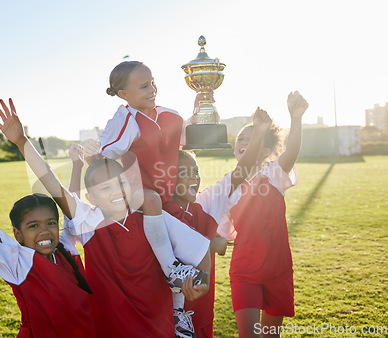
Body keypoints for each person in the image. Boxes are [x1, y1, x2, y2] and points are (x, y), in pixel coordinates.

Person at [0, 99, 211, 338]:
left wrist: (201, 286)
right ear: (90, 197)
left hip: (160, 328)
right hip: (112, 329)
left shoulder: (152, 217)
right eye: (105, 189)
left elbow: (200, 251)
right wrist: (22, 141)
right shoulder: (87, 223)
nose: (116, 192)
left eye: (120, 184)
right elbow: (50, 181)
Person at [84, 61, 211, 337]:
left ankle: (178, 314)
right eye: (143, 86)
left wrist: (203, 110)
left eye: (153, 82)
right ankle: (171, 271)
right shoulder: (124, 119)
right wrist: (90, 153)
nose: (152, 89)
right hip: (136, 197)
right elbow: (104, 153)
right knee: (152, 199)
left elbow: (186, 138)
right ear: (123, 94)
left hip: (164, 204)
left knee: (199, 249)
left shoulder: (170, 115)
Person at [0, 140, 95, 338]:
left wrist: (77, 165)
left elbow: (71, 206)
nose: (44, 231)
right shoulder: (19, 261)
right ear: (18, 234)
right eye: (33, 226)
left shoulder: (65, 248)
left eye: (50, 223)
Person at [163, 108, 272, 338]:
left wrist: (260, 133)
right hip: (163, 318)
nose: (194, 177)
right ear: (169, 177)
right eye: (185, 172)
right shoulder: (157, 212)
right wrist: (212, 244)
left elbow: (240, 173)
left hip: (200, 315)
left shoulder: (205, 203)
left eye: (196, 171)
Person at [225, 91, 309, 338]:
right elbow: (219, 231)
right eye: (242, 137)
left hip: (278, 271)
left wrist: (296, 118)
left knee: (271, 336)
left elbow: (292, 150)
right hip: (244, 271)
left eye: (253, 138)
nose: (244, 141)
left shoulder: (274, 175)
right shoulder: (228, 185)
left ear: (267, 150)